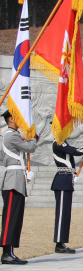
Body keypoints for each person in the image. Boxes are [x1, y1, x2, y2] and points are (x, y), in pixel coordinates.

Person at [0, 110, 37, 264]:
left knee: (15, 218)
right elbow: (30, 147)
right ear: (10, 119)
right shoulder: (11, 135)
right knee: (10, 218)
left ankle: (11, 252)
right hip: (12, 181)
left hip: (17, 179)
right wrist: (34, 137)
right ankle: (6, 253)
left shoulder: (12, 135)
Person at [51, 137, 83, 253]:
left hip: (67, 179)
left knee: (66, 213)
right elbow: (77, 152)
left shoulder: (63, 143)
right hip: (62, 179)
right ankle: (59, 243)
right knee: (62, 213)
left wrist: (73, 173)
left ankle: (62, 242)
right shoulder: (58, 142)